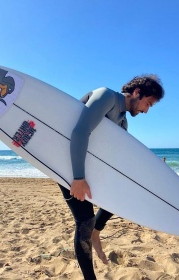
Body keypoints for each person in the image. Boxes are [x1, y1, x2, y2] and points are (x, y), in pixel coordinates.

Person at [58, 74, 165, 280]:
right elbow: (80, 131)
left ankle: (97, 232)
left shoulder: (123, 123)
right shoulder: (106, 96)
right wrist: (78, 178)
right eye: (148, 104)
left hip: (87, 170)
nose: (146, 110)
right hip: (69, 166)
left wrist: (149, 172)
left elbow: (117, 162)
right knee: (85, 221)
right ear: (137, 92)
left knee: (122, 192)